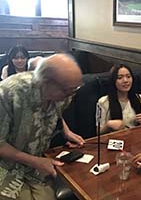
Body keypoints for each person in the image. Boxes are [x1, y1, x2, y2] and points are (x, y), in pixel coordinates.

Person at [0, 54, 85, 200]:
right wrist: (36, 162)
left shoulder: (65, 93)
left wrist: (66, 131)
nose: (70, 95)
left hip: (38, 164)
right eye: (67, 90)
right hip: (6, 165)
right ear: (45, 82)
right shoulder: (9, 93)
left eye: (74, 89)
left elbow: (55, 111)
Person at [96, 64, 141, 134]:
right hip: (115, 140)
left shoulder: (139, 98)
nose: (125, 80)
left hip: (135, 138)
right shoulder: (103, 102)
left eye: (128, 76)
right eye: (120, 77)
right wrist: (108, 125)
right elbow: (98, 133)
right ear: (113, 81)